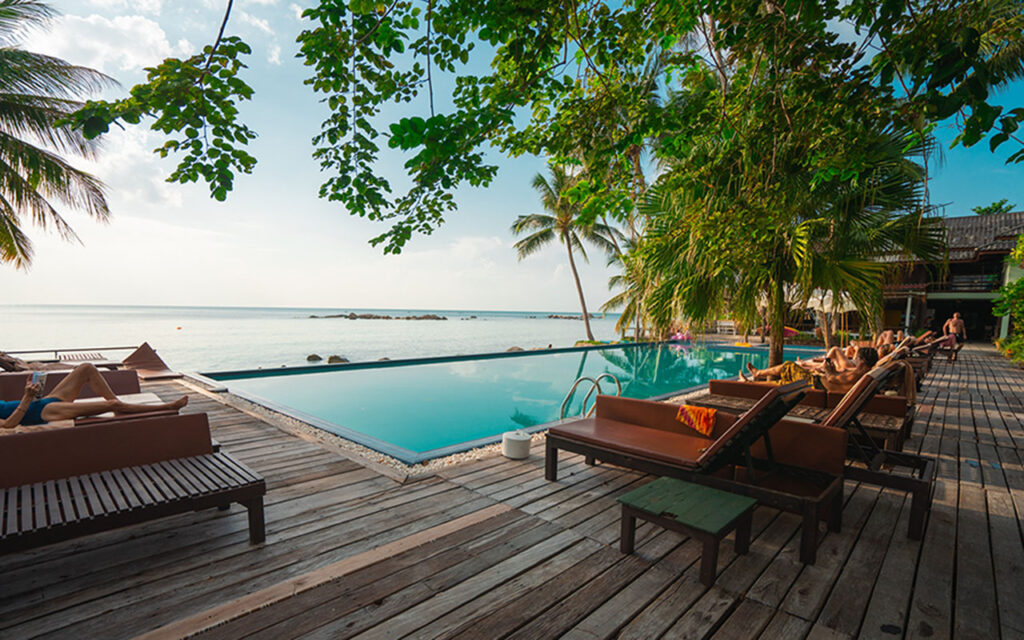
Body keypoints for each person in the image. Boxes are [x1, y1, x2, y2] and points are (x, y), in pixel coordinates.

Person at [0, 363, 188, 429]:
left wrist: (31, 394)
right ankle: (167, 407)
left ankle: (118, 402)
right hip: (45, 412)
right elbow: (9, 424)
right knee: (111, 405)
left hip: (44, 401)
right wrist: (26, 397)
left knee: (86, 368)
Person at [742, 347, 879, 393]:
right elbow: (837, 378)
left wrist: (828, 370)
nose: (854, 359)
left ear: (863, 361)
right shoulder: (861, 374)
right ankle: (750, 384)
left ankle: (758, 373)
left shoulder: (857, 375)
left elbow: (832, 379)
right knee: (783, 384)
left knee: (788, 366)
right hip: (817, 382)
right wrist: (829, 370)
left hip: (815, 385)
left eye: (857, 358)